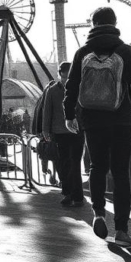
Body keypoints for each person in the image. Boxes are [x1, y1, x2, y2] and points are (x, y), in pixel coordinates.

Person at [64, 7, 131, 249]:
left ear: (93, 23)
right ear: (114, 23)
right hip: (122, 120)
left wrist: (69, 115)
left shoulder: (82, 52)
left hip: (92, 120)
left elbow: (71, 86)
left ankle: (98, 212)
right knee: (120, 173)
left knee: (97, 167)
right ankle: (122, 230)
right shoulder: (126, 51)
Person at [43, 62, 82, 207]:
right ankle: (68, 193)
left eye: (69, 77)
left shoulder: (80, 88)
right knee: (64, 163)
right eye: (64, 77)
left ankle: (77, 196)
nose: (67, 81)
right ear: (60, 75)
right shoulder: (52, 91)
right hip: (60, 132)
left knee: (75, 163)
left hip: (77, 131)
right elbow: (47, 111)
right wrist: (45, 130)